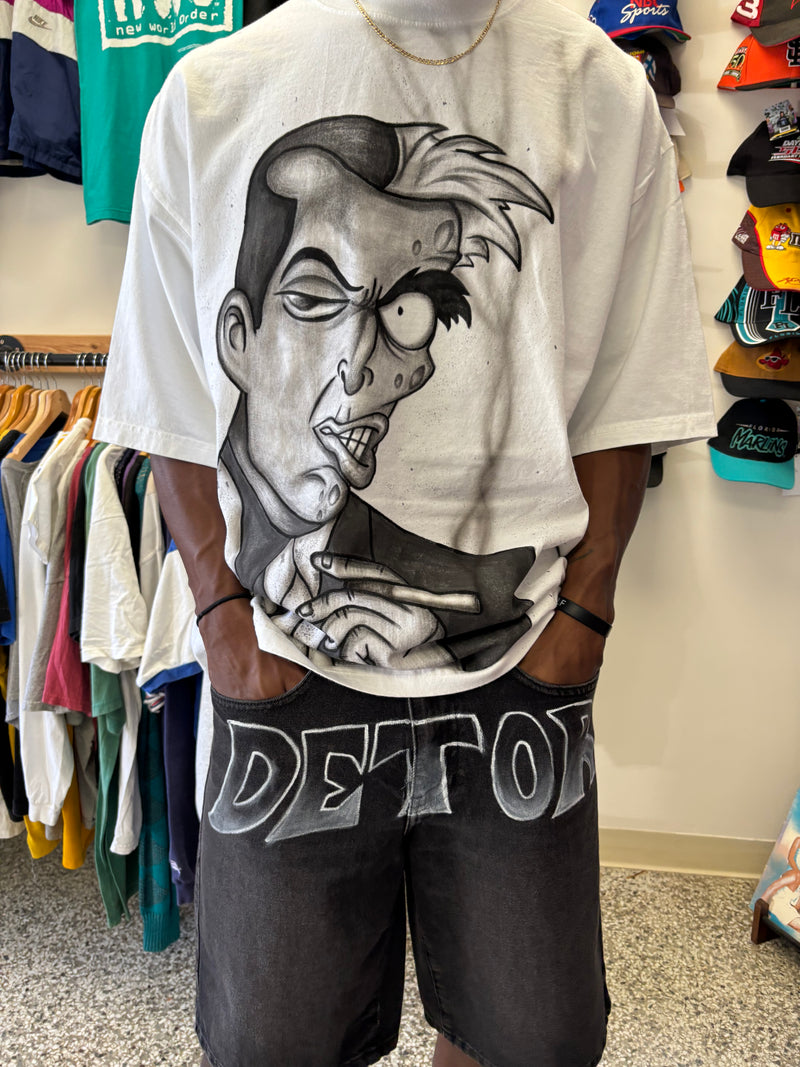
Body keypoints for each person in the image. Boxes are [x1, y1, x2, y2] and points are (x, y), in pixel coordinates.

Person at [94, 0, 716, 1064]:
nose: (362, 366)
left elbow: (630, 392)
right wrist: (228, 624)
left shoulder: (602, 91)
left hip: (518, 672)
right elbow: (164, 404)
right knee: (271, 1043)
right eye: (315, 300)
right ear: (243, 333)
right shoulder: (211, 95)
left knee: (531, 1037)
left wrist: (579, 623)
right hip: (283, 679)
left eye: (411, 312)